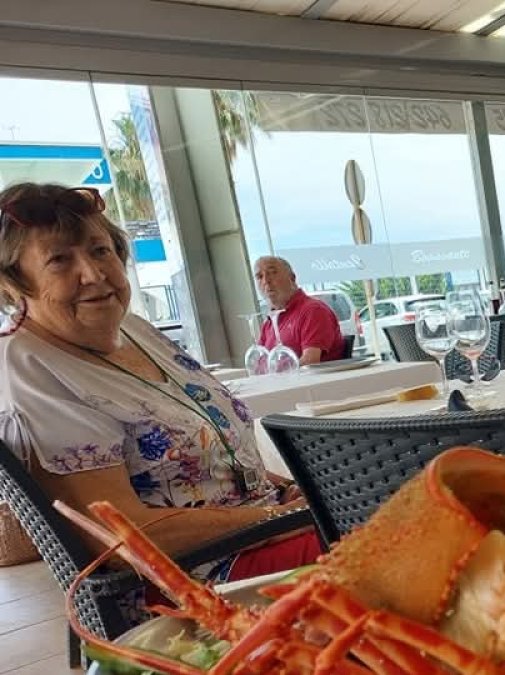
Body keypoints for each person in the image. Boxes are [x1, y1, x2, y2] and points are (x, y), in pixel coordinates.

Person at [0, 183, 317, 615]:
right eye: (59, 260)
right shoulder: (32, 367)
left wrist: (296, 493)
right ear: (14, 282)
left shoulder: (135, 329)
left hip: (262, 530)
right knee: (404, 543)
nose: (93, 274)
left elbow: (215, 457)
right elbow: (117, 534)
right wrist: (277, 521)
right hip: (188, 582)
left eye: (100, 251)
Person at [254, 255, 343, 365]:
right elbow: (259, 365)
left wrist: (276, 373)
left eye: (273, 273)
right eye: (259, 276)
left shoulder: (313, 311)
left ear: (292, 278)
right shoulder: (269, 323)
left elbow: (310, 361)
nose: (266, 281)